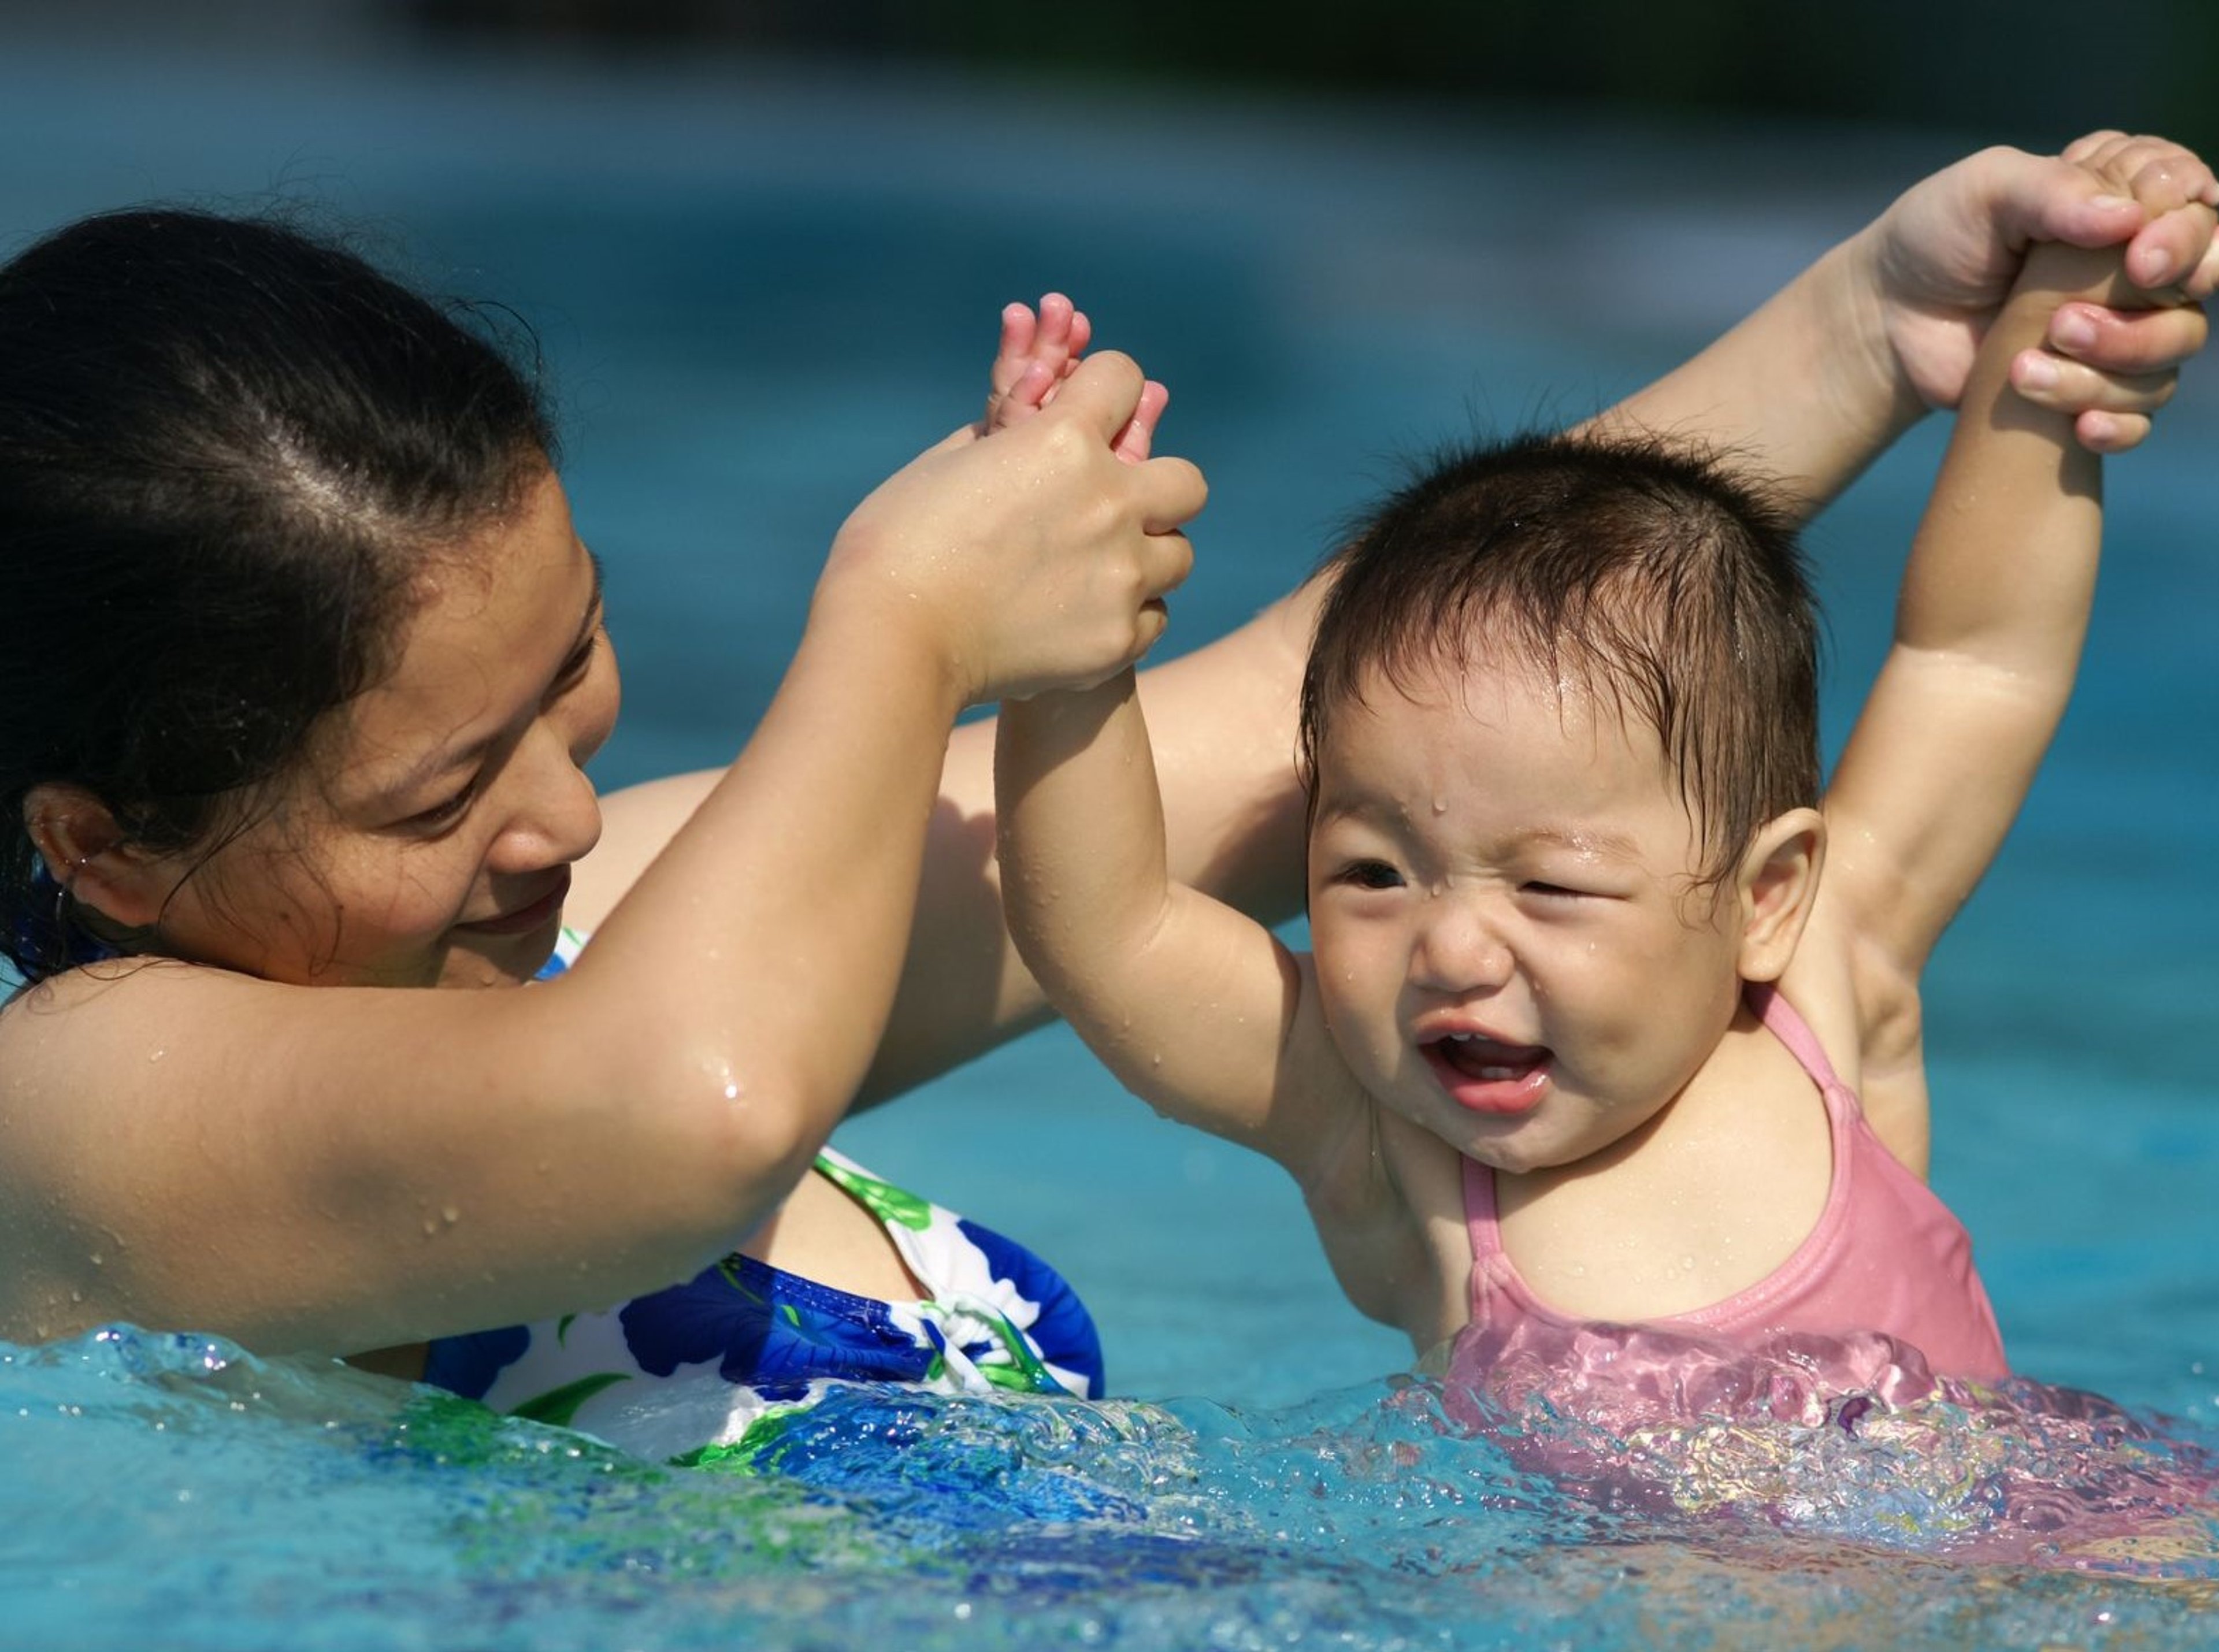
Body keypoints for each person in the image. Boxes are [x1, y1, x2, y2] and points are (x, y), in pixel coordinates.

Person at [0, 136, 2209, 1453]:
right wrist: (901, 617)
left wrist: (1861, 340)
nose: (565, 822)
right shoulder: (75, 1111)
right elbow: (683, 1119)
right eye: (443, 788)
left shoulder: (569, 944)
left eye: (572, 669)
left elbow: (1318, 729)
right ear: (93, 839)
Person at [992, 134, 2209, 1402]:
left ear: (1766, 894)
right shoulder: (1381, 1140)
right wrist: (1058, 647)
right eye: (1371, 870)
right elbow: (1110, 926)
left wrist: (2058, 328)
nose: (1453, 949)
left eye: (1553, 887)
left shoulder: (1827, 982)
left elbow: (1976, 660)